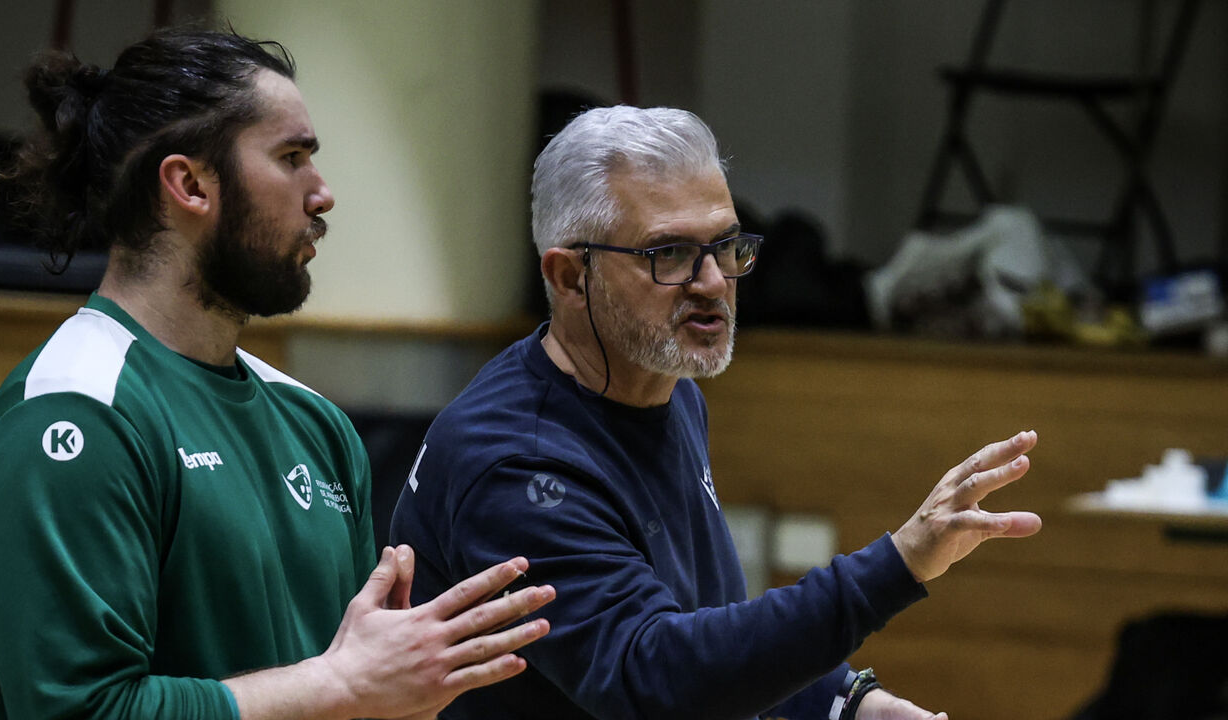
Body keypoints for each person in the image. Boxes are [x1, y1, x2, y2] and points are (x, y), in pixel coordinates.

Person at [0, 28, 555, 720]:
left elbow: (348, 688)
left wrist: (399, 695)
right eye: (292, 157)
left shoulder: (315, 423)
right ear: (190, 184)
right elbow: (81, 712)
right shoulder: (76, 411)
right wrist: (343, 687)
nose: (323, 194)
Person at [389, 105, 1042, 720]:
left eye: (727, 248)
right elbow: (656, 683)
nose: (711, 283)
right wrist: (898, 563)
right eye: (668, 254)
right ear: (568, 278)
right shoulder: (516, 461)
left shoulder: (668, 392)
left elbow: (703, 624)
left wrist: (842, 703)